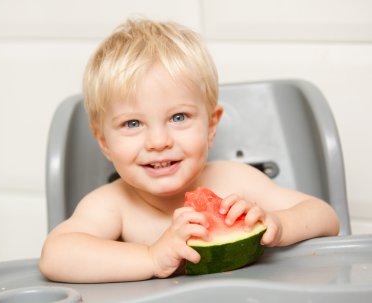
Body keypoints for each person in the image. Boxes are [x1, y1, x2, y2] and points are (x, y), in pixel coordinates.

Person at [39, 18, 339, 283]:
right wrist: (151, 257)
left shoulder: (236, 180)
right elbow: (56, 256)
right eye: (132, 123)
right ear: (103, 141)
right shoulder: (112, 206)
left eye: (178, 117)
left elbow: (326, 217)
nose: (158, 141)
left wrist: (278, 224)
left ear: (210, 126)